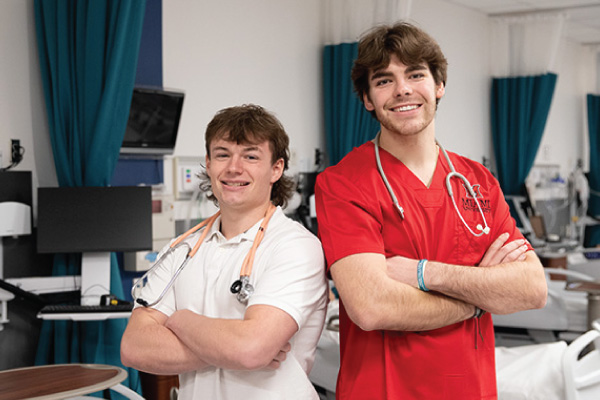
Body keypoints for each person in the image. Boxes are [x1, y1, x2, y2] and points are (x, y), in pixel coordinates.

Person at [315, 22, 548, 399]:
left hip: (473, 389)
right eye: (384, 80)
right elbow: (373, 307)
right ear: (367, 99)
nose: (403, 88)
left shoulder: (477, 181)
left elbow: (532, 289)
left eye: (416, 73)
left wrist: (424, 273)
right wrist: (479, 299)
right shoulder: (343, 184)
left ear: (439, 86)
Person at [121, 104, 328, 400]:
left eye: (251, 156)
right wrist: (234, 349)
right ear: (208, 163)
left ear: (276, 169)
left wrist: (180, 321)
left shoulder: (295, 246)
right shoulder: (181, 249)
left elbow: (251, 349)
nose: (234, 167)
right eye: (222, 154)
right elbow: (133, 347)